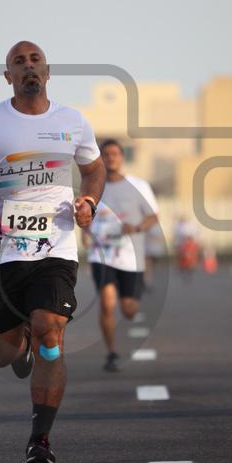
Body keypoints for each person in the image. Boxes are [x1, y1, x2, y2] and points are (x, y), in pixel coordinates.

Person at [0, 41, 105, 463]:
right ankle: (21, 349)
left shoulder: (73, 121)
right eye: (19, 62)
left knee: (49, 330)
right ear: (8, 77)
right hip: (0, 254)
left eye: (35, 60)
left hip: (56, 247)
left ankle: (40, 439)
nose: (29, 66)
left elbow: (94, 168)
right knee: (1, 353)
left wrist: (89, 202)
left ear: (48, 72)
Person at [84, 140, 159, 372]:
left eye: (115, 153)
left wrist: (136, 228)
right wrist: (85, 232)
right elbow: (84, 214)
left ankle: (130, 303)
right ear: (101, 159)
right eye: (106, 154)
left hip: (131, 256)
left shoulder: (138, 185)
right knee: (107, 303)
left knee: (129, 310)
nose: (111, 158)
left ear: (122, 157)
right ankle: (112, 352)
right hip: (102, 254)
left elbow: (153, 216)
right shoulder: (92, 187)